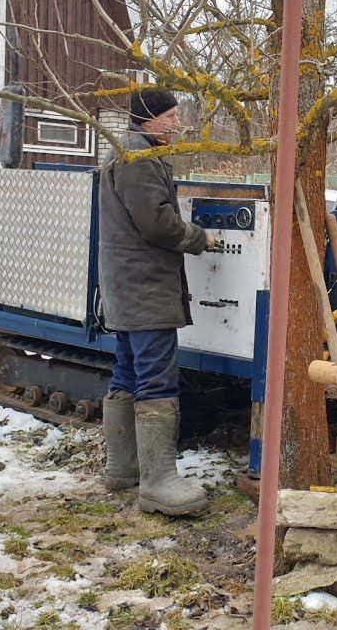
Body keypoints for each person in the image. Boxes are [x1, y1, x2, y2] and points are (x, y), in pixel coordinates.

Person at [97, 89, 218, 516]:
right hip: (146, 288)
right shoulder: (139, 157)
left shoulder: (124, 151)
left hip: (126, 286)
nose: (177, 123)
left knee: (128, 371)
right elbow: (157, 222)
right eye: (170, 116)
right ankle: (158, 482)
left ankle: (123, 467)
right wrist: (199, 238)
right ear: (148, 119)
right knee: (156, 380)